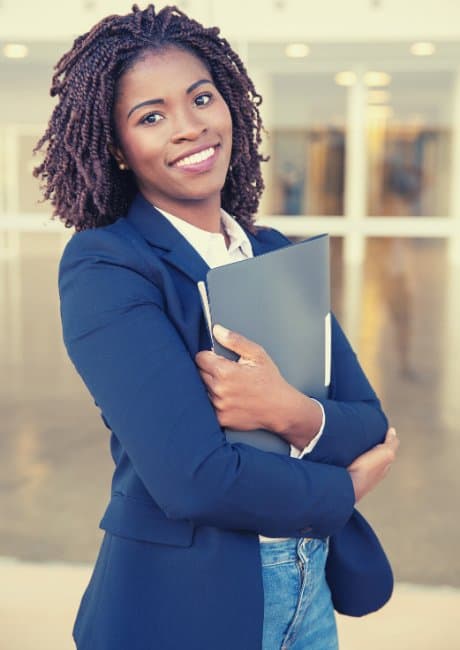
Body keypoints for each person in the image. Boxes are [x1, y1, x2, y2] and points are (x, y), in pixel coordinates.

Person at [34, 5, 399, 649]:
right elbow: (193, 478)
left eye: (201, 98)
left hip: (309, 594)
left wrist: (289, 411)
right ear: (118, 147)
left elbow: (368, 418)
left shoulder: (272, 250)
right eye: (151, 116)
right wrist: (342, 486)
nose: (189, 126)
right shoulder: (108, 265)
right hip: (184, 604)